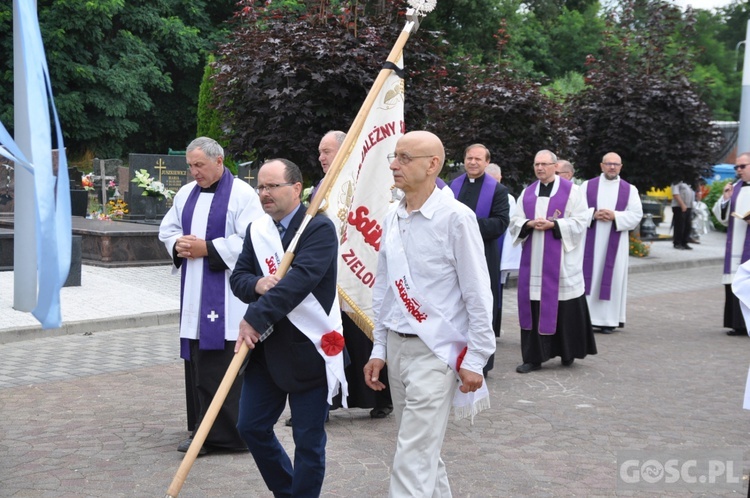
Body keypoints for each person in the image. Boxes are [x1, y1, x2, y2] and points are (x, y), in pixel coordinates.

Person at [364, 130, 495, 497]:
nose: (394, 165)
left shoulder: (456, 218)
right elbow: (384, 289)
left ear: (432, 165)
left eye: (405, 158)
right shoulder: (393, 216)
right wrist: (378, 349)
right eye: (395, 157)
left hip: (435, 354)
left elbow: (477, 293)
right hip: (397, 346)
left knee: (412, 454)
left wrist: (478, 356)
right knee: (422, 451)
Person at [230, 158, 346, 497]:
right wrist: (258, 285)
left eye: (272, 186)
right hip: (267, 349)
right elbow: (239, 279)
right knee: (250, 426)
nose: (264, 194)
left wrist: (254, 316)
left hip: (309, 347)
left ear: (296, 188)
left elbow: (301, 282)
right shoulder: (257, 229)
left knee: (308, 441)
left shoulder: (319, 229)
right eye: (261, 187)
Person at [158, 136, 263, 455]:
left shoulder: (243, 195)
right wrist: (178, 244)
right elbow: (168, 228)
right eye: (190, 165)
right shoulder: (186, 194)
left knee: (220, 367)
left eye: (199, 165)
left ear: (219, 162)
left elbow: (253, 239)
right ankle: (202, 427)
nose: (194, 172)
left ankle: (226, 435)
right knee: (200, 367)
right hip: (194, 296)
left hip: (228, 302)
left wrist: (209, 248)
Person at [289, 130, 392, 427]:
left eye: (327, 151)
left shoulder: (362, 182)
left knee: (362, 337)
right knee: (327, 337)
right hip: (325, 272)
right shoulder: (319, 186)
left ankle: (379, 399)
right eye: (319, 152)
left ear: (345, 151)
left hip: (357, 273)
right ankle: (326, 399)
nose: (321, 157)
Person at [510, 149, 597, 373]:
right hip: (534, 263)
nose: (540, 168)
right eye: (536, 164)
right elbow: (515, 221)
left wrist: (555, 225)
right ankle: (533, 358)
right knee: (534, 307)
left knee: (564, 307)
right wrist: (528, 224)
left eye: (544, 164)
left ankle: (567, 352)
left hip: (561, 263)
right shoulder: (527, 193)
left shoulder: (572, 191)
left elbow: (581, 221)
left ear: (555, 166)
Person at [450, 144, 509, 374]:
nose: (473, 162)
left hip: (483, 256)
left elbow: (500, 223)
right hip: (454, 256)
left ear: (487, 162)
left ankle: (481, 363)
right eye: (469, 158)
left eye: (478, 159)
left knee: (481, 305)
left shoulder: (498, 190)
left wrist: (468, 225)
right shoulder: (453, 186)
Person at [580, 152, 643, 334]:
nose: (612, 167)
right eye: (608, 164)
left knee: (613, 277)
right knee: (587, 277)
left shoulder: (629, 189)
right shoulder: (587, 186)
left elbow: (636, 215)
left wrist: (615, 215)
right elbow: (576, 210)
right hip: (590, 242)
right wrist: (593, 214)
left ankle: (608, 320)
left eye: (616, 164)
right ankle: (587, 318)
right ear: (601, 166)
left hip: (616, 243)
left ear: (621, 167)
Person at [712, 152, 750, 336]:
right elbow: (722, 219)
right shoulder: (734, 188)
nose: (738, 170)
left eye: (742, 166)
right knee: (735, 283)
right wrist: (726, 199)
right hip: (736, 244)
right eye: (737, 167)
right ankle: (737, 324)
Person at [486, 163, 521, 338]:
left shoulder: (507, 199)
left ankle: (494, 327)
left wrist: (507, 259)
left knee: (495, 289)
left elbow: (510, 228)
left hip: (497, 250)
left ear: (500, 179)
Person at [671, 178, 695, 250]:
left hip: (689, 206)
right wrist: (682, 205)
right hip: (679, 206)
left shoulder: (688, 181)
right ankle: (677, 243)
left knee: (688, 225)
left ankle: (684, 242)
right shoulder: (676, 181)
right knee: (679, 225)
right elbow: (675, 194)